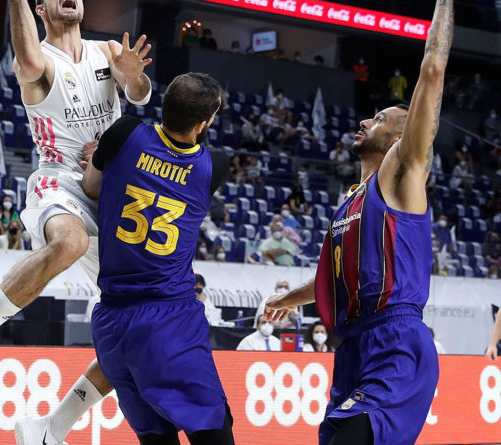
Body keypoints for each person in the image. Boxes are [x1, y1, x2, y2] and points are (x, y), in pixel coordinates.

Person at [0, 2, 153, 444]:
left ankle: (50, 428)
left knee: (138, 326)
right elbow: (29, 57)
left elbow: (140, 95)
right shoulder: (38, 61)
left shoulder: (106, 49)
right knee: (67, 243)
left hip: (110, 190)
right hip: (59, 181)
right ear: (40, 7)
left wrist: (134, 75)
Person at [265, 3, 452, 443]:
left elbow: (432, 71)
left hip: (395, 340)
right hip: (351, 346)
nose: (365, 120)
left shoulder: (403, 173)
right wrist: (289, 299)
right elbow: (335, 278)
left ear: (400, 137)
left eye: (380, 118)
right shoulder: (350, 200)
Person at [81, 72, 234, 444]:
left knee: (155, 437)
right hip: (168, 315)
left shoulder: (124, 132)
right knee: (213, 427)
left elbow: (91, 187)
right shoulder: (213, 165)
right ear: (203, 123)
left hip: (112, 320)